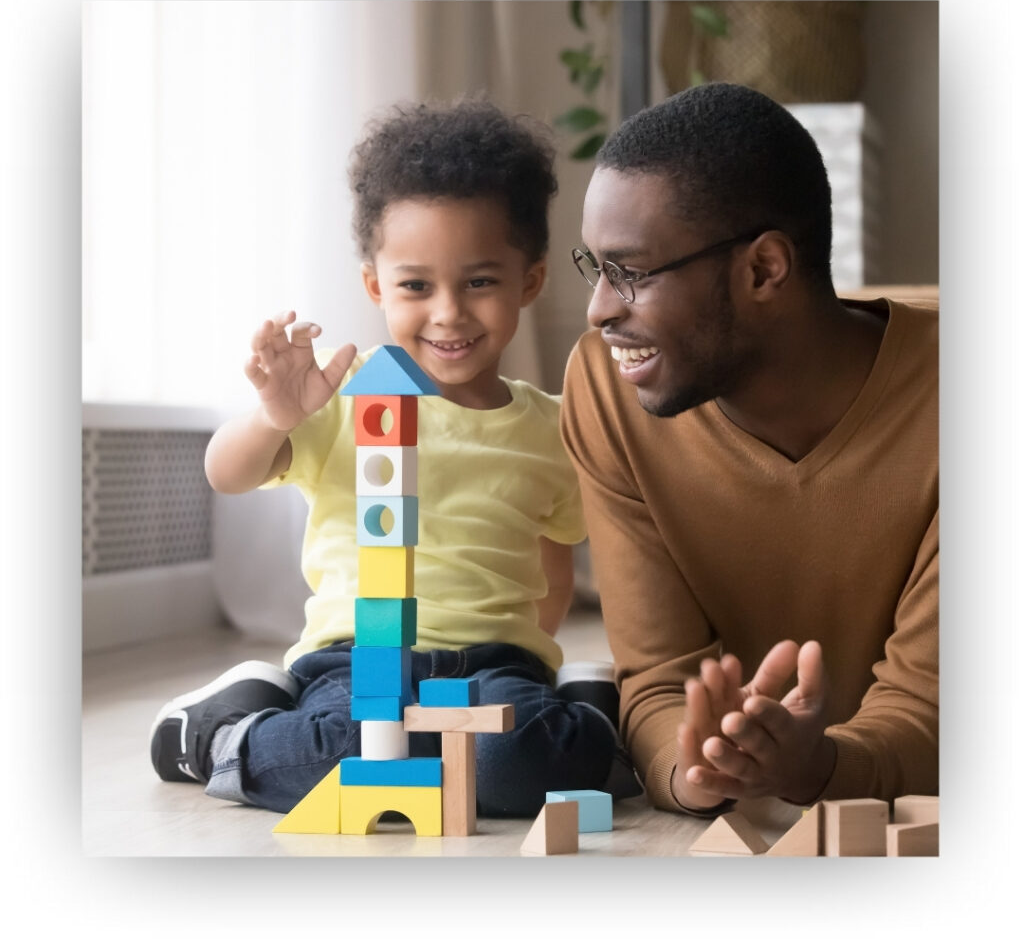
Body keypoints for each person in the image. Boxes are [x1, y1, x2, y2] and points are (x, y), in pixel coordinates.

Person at [149, 98, 641, 817]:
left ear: (528, 282)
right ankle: (226, 729)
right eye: (416, 286)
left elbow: (552, 567)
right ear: (376, 285)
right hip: (353, 662)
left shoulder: (550, 427)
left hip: (494, 665)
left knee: (521, 765)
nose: (448, 312)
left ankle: (581, 706)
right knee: (337, 755)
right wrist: (275, 416)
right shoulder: (341, 397)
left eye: (479, 282)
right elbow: (227, 472)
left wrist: (529, 658)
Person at [559, 82, 937, 818]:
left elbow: (941, 714)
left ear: (764, 269)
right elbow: (659, 681)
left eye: (629, 272)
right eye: (594, 267)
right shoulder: (608, 389)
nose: (599, 309)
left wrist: (817, 766)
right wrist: (696, 767)